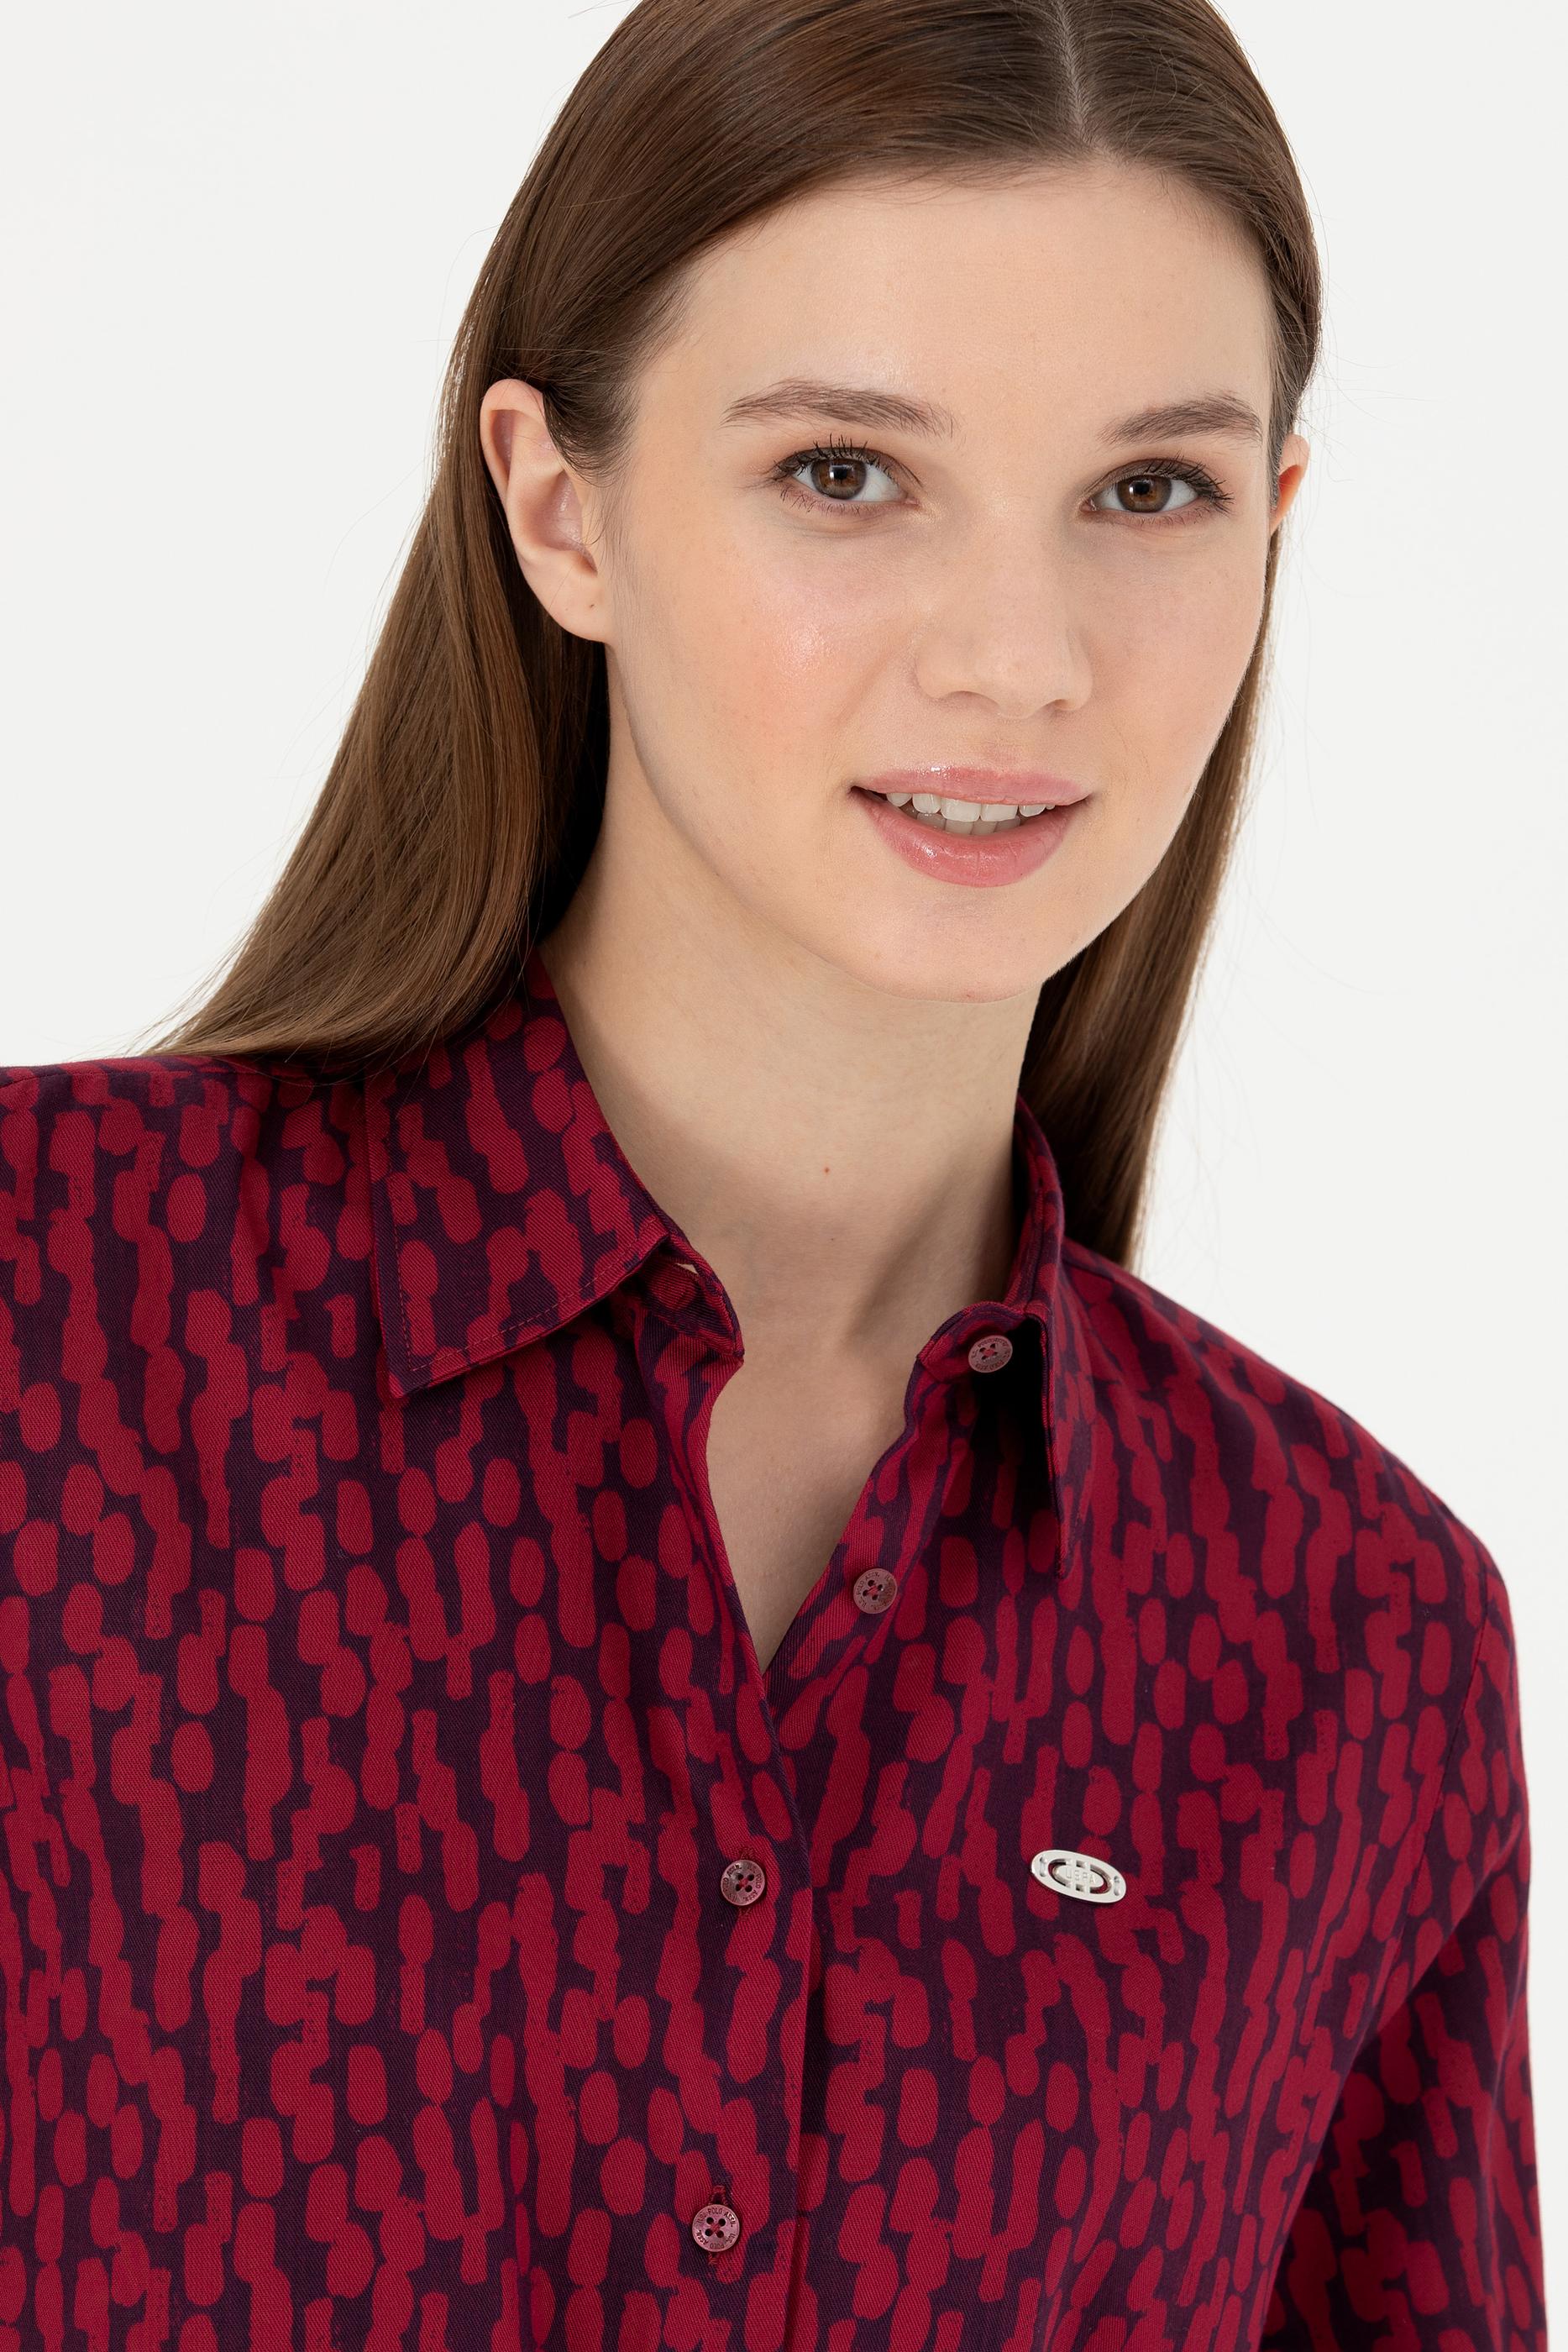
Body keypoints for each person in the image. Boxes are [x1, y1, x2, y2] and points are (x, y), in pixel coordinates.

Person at [0, 0, 1545, 2343]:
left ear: (1271, 534)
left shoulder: (1346, 1633)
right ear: (561, 506)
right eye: (846, 471)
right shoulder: (46, 1329)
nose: (1018, 658)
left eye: (1149, 492)